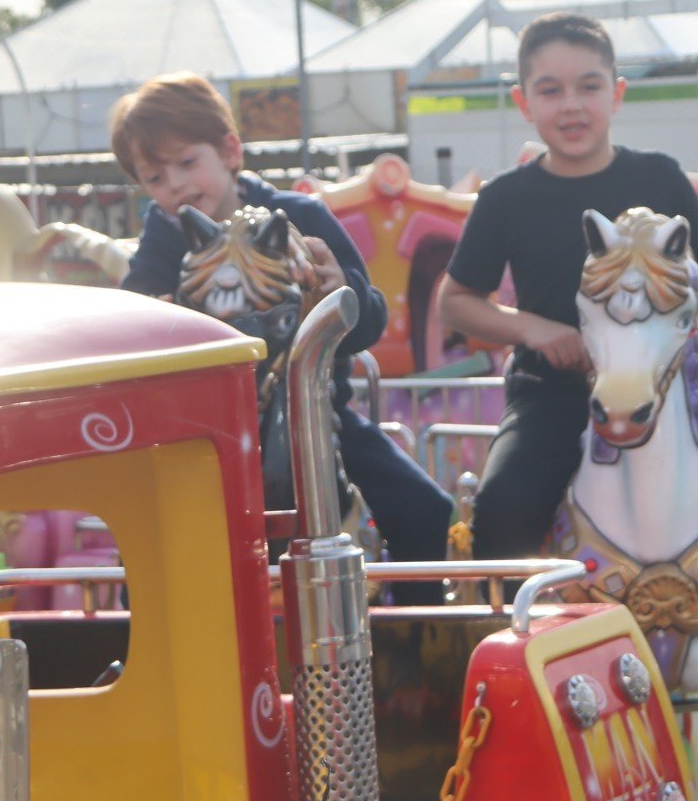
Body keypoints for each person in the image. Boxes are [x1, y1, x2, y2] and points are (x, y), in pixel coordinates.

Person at [441, 13, 698, 676]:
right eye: (550, 90)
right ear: (524, 103)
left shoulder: (659, 177)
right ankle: (507, 658)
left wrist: (697, 319)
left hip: (666, 396)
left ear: (618, 93)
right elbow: (457, 300)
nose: (571, 105)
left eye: (588, 86)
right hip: (557, 395)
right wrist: (533, 328)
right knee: (504, 506)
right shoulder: (506, 199)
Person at [110, 72, 453, 604]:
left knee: (424, 510)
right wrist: (160, 314)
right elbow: (135, 316)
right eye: (154, 177)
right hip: (210, 430)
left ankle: (413, 630)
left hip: (316, 418)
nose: (174, 185)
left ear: (229, 150)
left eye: (185, 163)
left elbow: (372, 320)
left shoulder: (299, 216)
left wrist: (341, 289)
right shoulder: (164, 236)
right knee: (139, 536)